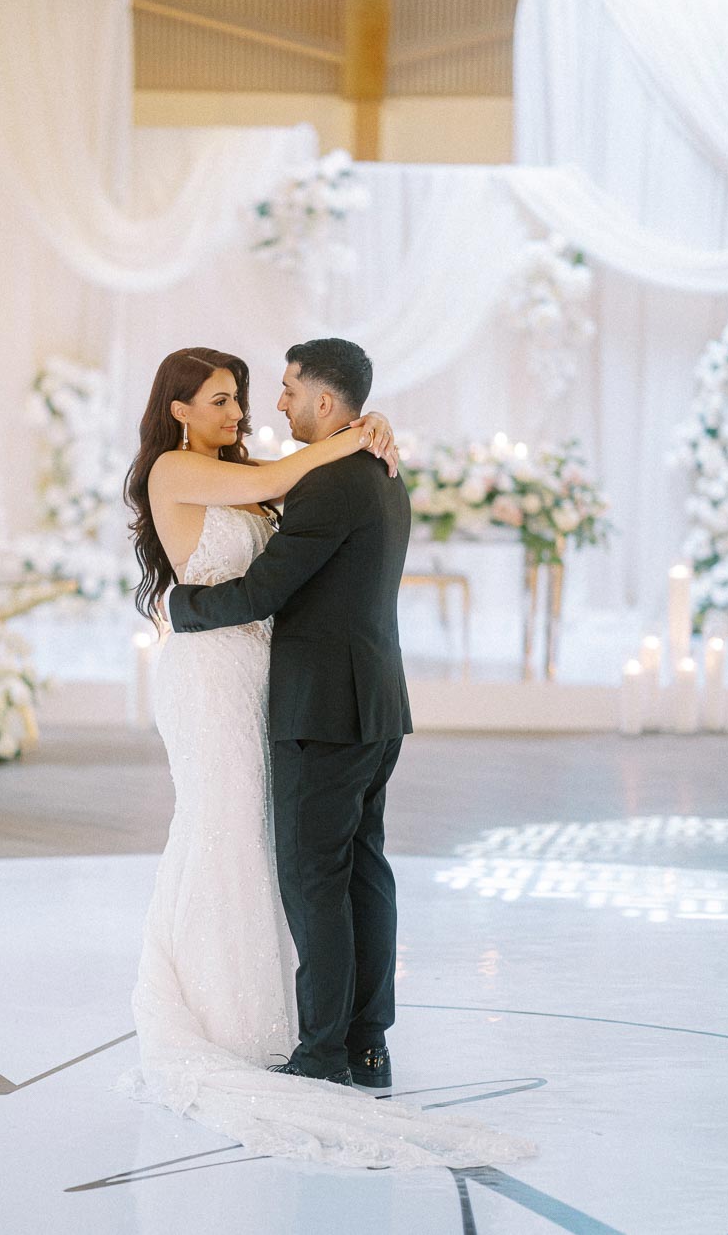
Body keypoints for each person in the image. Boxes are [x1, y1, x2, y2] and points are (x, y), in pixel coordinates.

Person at [118, 343, 532, 1170]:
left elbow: (270, 563)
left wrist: (189, 607)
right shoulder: (187, 470)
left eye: (269, 392)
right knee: (257, 842)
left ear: (326, 403)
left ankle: (324, 1048)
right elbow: (273, 485)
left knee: (308, 867)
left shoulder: (320, 471)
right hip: (250, 688)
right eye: (229, 399)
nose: (253, 410)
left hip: (306, 697)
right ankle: (329, 1032)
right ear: (180, 409)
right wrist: (356, 434)